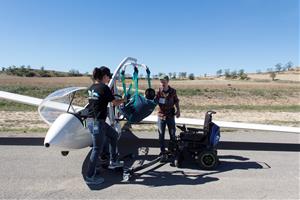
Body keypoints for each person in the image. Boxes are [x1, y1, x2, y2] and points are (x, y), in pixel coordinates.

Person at [85, 66, 126, 185]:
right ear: (105, 76)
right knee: (97, 149)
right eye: (109, 76)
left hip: (93, 121)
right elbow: (115, 103)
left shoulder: (91, 88)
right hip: (98, 123)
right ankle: (90, 176)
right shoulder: (104, 88)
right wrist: (124, 100)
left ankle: (113, 161)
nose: (109, 78)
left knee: (113, 135)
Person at [155, 75, 180, 162]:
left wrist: (178, 110)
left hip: (170, 116)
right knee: (161, 135)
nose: (162, 83)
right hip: (161, 116)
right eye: (161, 81)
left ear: (168, 81)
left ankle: (172, 152)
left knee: (172, 134)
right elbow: (154, 101)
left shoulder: (173, 91)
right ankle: (162, 152)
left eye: (164, 81)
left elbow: (176, 101)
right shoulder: (158, 91)